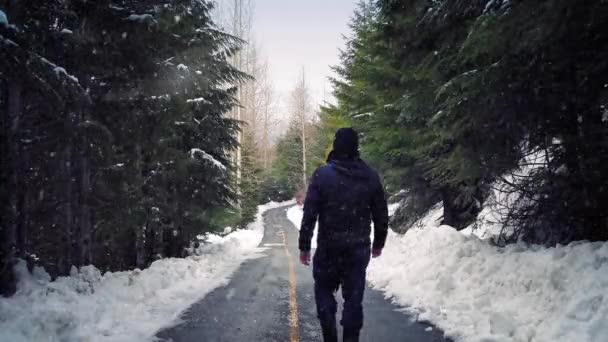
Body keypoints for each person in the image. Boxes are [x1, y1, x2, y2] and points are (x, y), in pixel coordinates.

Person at [298, 127, 389, 342]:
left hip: (329, 249)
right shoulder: (370, 176)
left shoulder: (322, 176)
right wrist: (379, 243)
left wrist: (304, 246)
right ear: (356, 147)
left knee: (323, 293)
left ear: (335, 146)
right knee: (353, 301)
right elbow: (381, 214)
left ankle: (329, 334)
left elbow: (310, 214)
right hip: (357, 250)